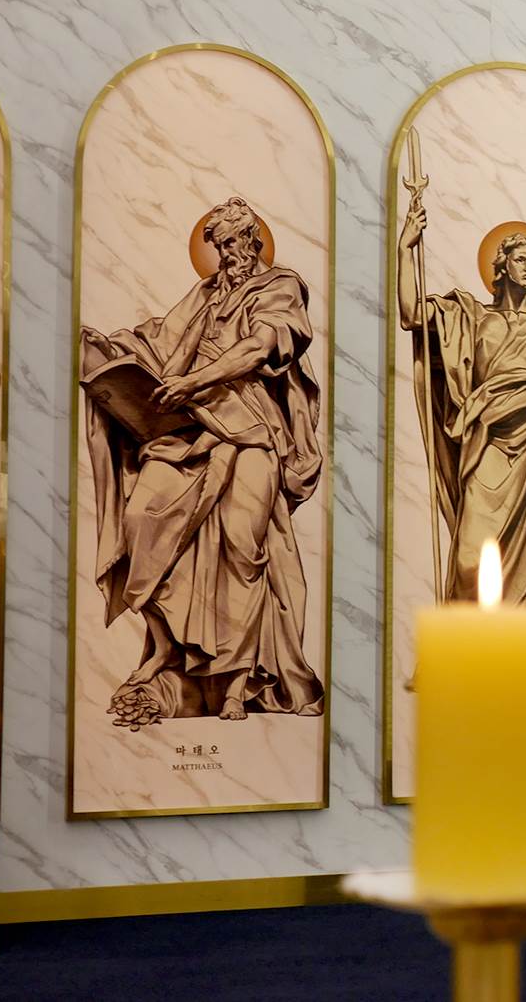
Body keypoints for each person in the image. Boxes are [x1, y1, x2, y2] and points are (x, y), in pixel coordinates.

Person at [80, 197, 326, 725]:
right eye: (217, 245)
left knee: (243, 546)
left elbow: (257, 348)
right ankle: (167, 647)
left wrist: (194, 382)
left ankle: (236, 681)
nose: (225, 253)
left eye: (232, 241)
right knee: (141, 519)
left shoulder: (280, 287)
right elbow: (162, 341)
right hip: (189, 429)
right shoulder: (208, 294)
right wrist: (111, 350)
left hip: (252, 429)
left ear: (253, 239)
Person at [398, 201, 526, 683]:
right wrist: (406, 248)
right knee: (471, 552)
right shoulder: (470, 317)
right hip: (489, 437)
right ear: (501, 266)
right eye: (522, 259)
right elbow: (411, 315)